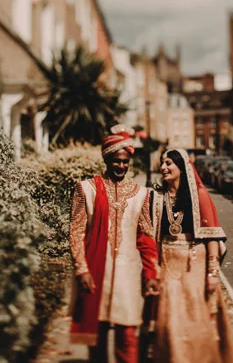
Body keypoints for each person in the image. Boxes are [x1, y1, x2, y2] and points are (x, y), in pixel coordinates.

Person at [69, 125, 160, 362]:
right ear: (107, 159)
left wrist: (151, 273)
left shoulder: (141, 194)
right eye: (116, 161)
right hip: (96, 273)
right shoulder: (86, 189)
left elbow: (146, 236)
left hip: (128, 275)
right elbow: (76, 232)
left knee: (128, 338)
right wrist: (82, 270)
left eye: (125, 161)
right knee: (97, 342)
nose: (121, 166)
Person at [145, 148, 233, 363]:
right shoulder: (158, 198)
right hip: (168, 264)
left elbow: (212, 235)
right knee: (169, 321)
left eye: (169, 163)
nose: (163, 167)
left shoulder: (199, 196)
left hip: (195, 264)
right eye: (162, 163)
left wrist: (213, 272)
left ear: (182, 167)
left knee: (197, 321)